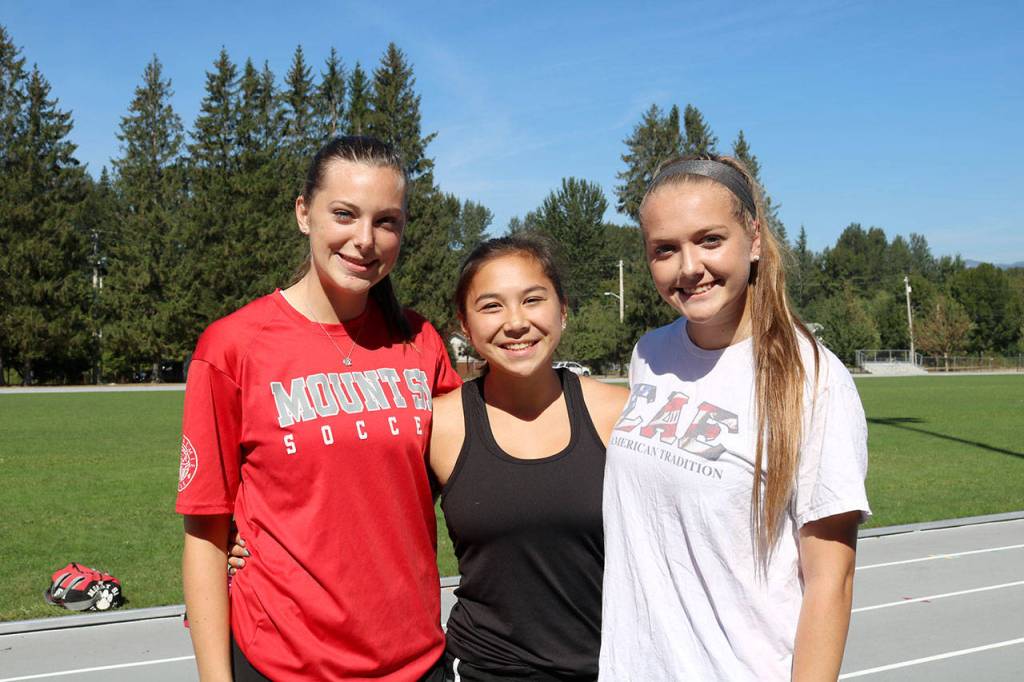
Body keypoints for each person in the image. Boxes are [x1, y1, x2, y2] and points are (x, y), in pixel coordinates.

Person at [231, 235, 628, 680]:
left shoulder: (621, 415)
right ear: (464, 324)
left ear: (563, 309)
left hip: (612, 664)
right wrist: (246, 531)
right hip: (484, 668)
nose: (516, 322)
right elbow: (357, 495)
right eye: (492, 306)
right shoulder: (440, 424)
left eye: (533, 300)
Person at [176, 136, 461, 681]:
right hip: (282, 662)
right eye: (345, 215)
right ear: (304, 213)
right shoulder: (232, 347)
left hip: (416, 660)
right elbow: (206, 536)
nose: (364, 240)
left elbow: (478, 485)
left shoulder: (421, 342)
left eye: (387, 221)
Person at [598, 155, 871, 681]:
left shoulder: (814, 379)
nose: (689, 267)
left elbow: (830, 582)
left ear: (754, 239)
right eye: (665, 249)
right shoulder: (649, 354)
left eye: (709, 239)